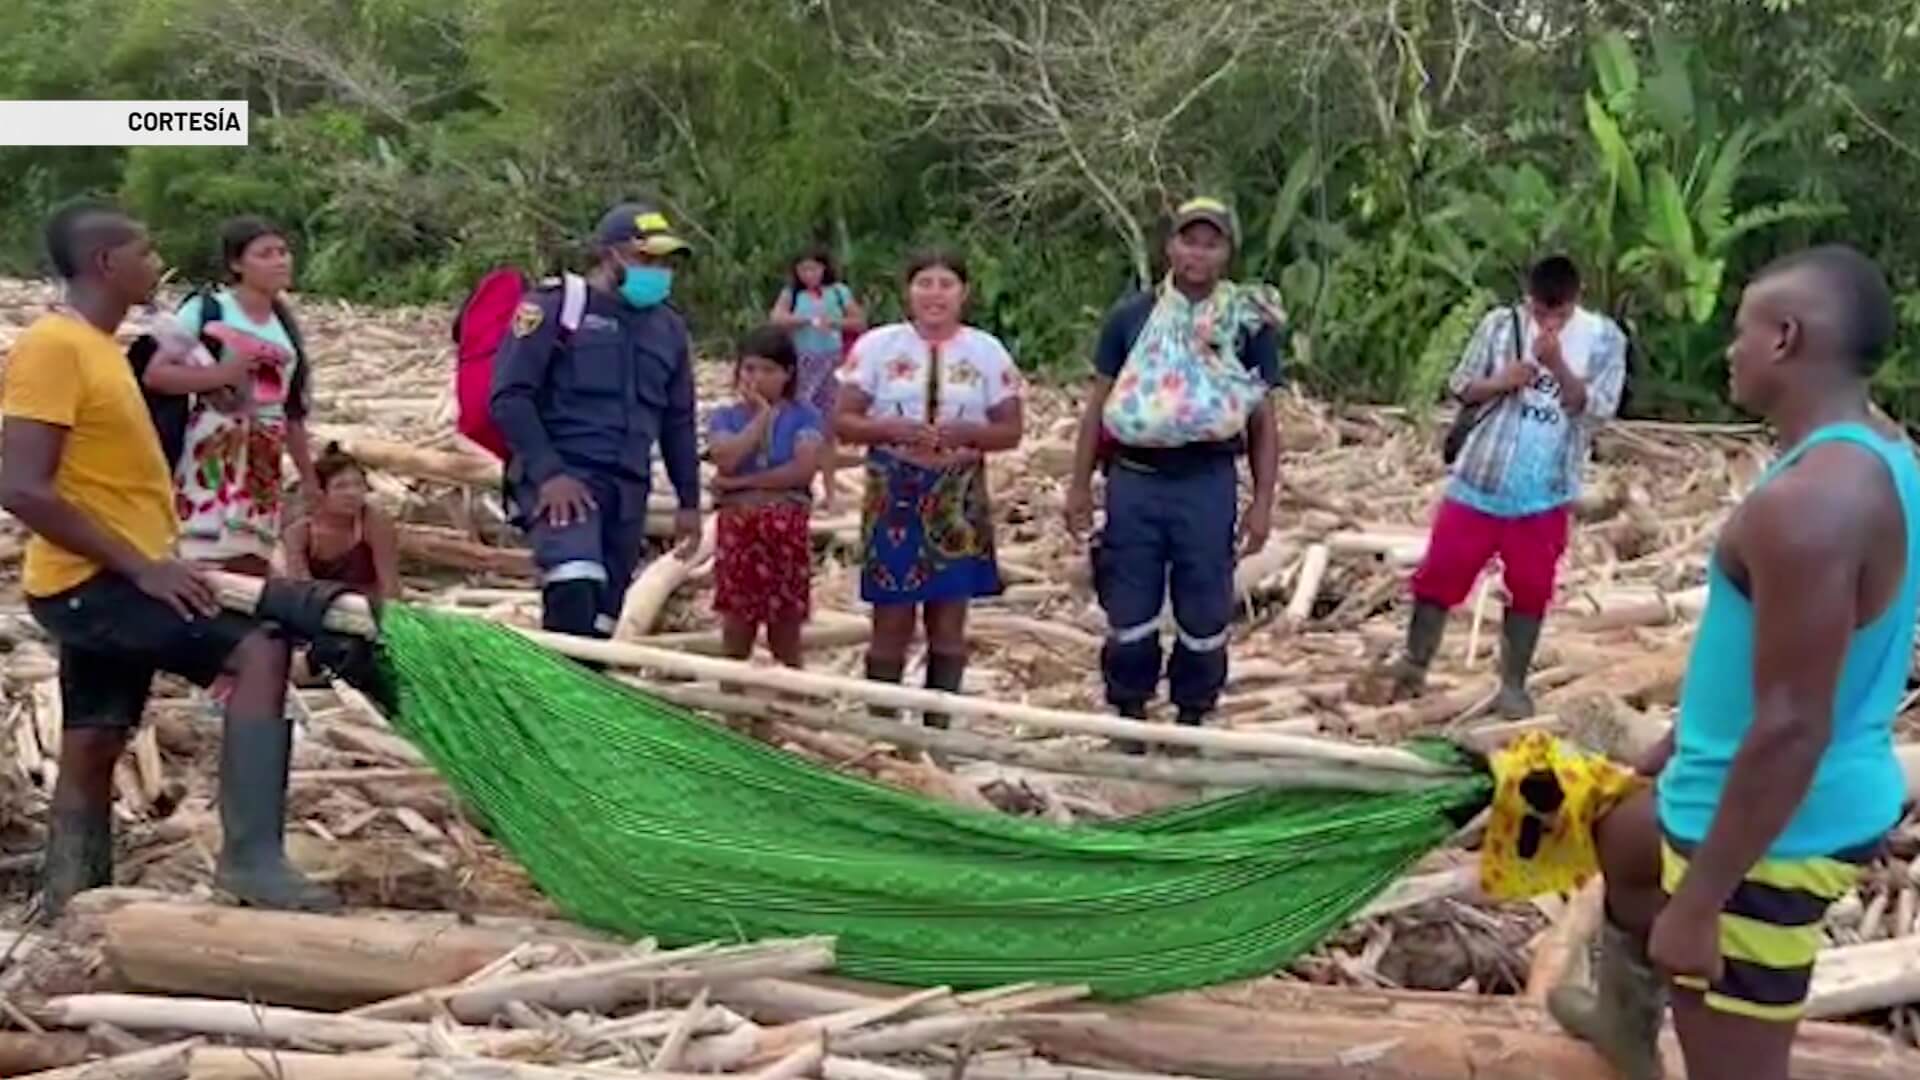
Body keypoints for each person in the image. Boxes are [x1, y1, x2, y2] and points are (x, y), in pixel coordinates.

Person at [1549, 246, 1918, 1080]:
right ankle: (1626, 1022)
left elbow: (1792, 725)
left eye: (1742, 330)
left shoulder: (1810, 504)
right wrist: (1683, 737)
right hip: (1750, 783)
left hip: (1772, 835)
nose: (1730, 350)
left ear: (1785, 338)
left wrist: (1703, 900)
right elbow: (1791, 657)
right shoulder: (1879, 450)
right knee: (1626, 838)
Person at [0, 201, 337, 919]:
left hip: (113, 572)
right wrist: (145, 567)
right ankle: (251, 861)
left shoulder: (102, 347)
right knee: (259, 651)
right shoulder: (53, 349)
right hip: (96, 580)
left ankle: (71, 899)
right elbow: (21, 487)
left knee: (95, 735)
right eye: (146, 252)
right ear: (104, 265)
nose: (157, 264)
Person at [1064, 197, 1283, 738]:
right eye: (1189, 240)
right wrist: (1078, 487)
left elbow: (1261, 418)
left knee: (1205, 603)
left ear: (1228, 252)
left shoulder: (1245, 324)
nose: (1198, 253)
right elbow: (1099, 406)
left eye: (1212, 243)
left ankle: (1192, 714)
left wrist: (1261, 503)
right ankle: (1131, 714)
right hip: (1134, 480)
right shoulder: (1131, 317)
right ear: (1169, 246)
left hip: (1206, 480)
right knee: (1129, 603)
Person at [1387, 255, 1627, 718]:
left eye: (1557, 315)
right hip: (1480, 478)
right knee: (1439, 574)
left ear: (1576, 301)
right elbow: (1461, 385)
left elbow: (1597, 409)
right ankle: (1413, 665)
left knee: (1532, 586)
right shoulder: (1500, 326)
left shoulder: (1603, 339)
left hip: (1546, 490)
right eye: (1539, 312)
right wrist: (1502, 380)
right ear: (1527, 298)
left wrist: (1558, 366)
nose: (1546, 323)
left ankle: (1512, 685)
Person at [491, 201, 702, 640]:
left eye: (665, 262)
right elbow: (510, 397)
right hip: (566, 479)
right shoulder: (557, 307)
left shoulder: (668, 330)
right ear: (612, 255)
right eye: (648, 259)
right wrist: (549, 475)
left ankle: (580, 703)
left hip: (627, 490)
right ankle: (551, 704)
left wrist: (688, 502)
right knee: (574, 585)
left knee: (604, 623)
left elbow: (678, 421)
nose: (659, 271)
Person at [835, 249, 1025, 727]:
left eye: (945, 284)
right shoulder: (878, 347)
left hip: (958, 494)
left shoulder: (986, 352)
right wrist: (893, 430)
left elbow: (1010, 431)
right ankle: (882, 731)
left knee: (948, 618)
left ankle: (938, 735)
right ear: (908, 291)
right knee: (891, 617)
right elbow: (843, 420)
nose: (934, 294)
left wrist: (967, 435)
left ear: (964, 292)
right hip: (893, 489)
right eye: (924, 283)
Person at [143, 216, 317, 576]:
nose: (280, 261)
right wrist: (222, 375)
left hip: (265, 450)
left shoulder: (283, 322)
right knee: (201, 550)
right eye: (265, 254)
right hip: (215, 441)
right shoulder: (209, 310)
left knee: (252, 556)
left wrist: (309, 478)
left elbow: (292, 410)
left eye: (283, 252)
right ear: (237, 264)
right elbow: (157, 374)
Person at [708, 325, 824, 667]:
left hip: (784, 533)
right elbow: (726, 458)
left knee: (786, 627)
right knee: (736, 625)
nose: (757, 377)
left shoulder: (805, 416)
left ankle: (792, 703)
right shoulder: (725, 417)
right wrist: (760, 417)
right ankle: (732, 707)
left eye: (769, 370)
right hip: (739, 533)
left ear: (788, 374)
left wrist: (740, 484)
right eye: (749, 368)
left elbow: (802, 471)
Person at [770, 246, 865, 510]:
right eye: (803, 269)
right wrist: (802, 320)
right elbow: (776, 318)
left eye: (814, 268)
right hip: (802, 361)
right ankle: (797, 486)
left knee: (828, 428)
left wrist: (833, 323)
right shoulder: (792, 294)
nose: (809, 274)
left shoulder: (838, 292)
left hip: (832, 363)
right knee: (798, 422)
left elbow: (858, 321)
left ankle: (831, 492)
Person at [283, 443, 400, 601]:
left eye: (358, 485)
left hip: (365, 609)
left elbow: (390, 585)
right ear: (320, 493)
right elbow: (300, 587)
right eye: (341, 487)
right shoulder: (301, 531)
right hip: (317, 607)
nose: (353, 493)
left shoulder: (374, 523)